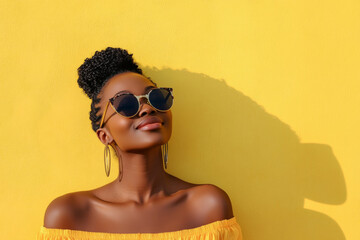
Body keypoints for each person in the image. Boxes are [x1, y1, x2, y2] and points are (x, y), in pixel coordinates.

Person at [37, 47, 242, 240]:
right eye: (126, 104)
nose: (147, 109)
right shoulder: (68, 216)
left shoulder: (207, 206)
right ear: (104, 135)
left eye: (156, 98)